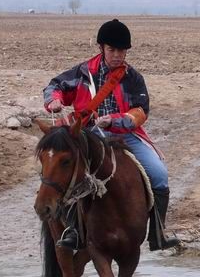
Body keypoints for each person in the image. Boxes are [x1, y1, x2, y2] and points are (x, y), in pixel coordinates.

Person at [43, 19, 180, 251]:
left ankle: (158, 233)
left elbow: (140, 111)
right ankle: (73, 231)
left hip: (124, 136)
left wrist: (114, 121)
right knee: (66, 176)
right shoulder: (82, 73)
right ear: (101, 48)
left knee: (159, 174)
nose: (117, 55)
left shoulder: (134, 78)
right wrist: (53, 100)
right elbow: (54, 86)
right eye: (112, 50)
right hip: (86, 136)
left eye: (121, 50)